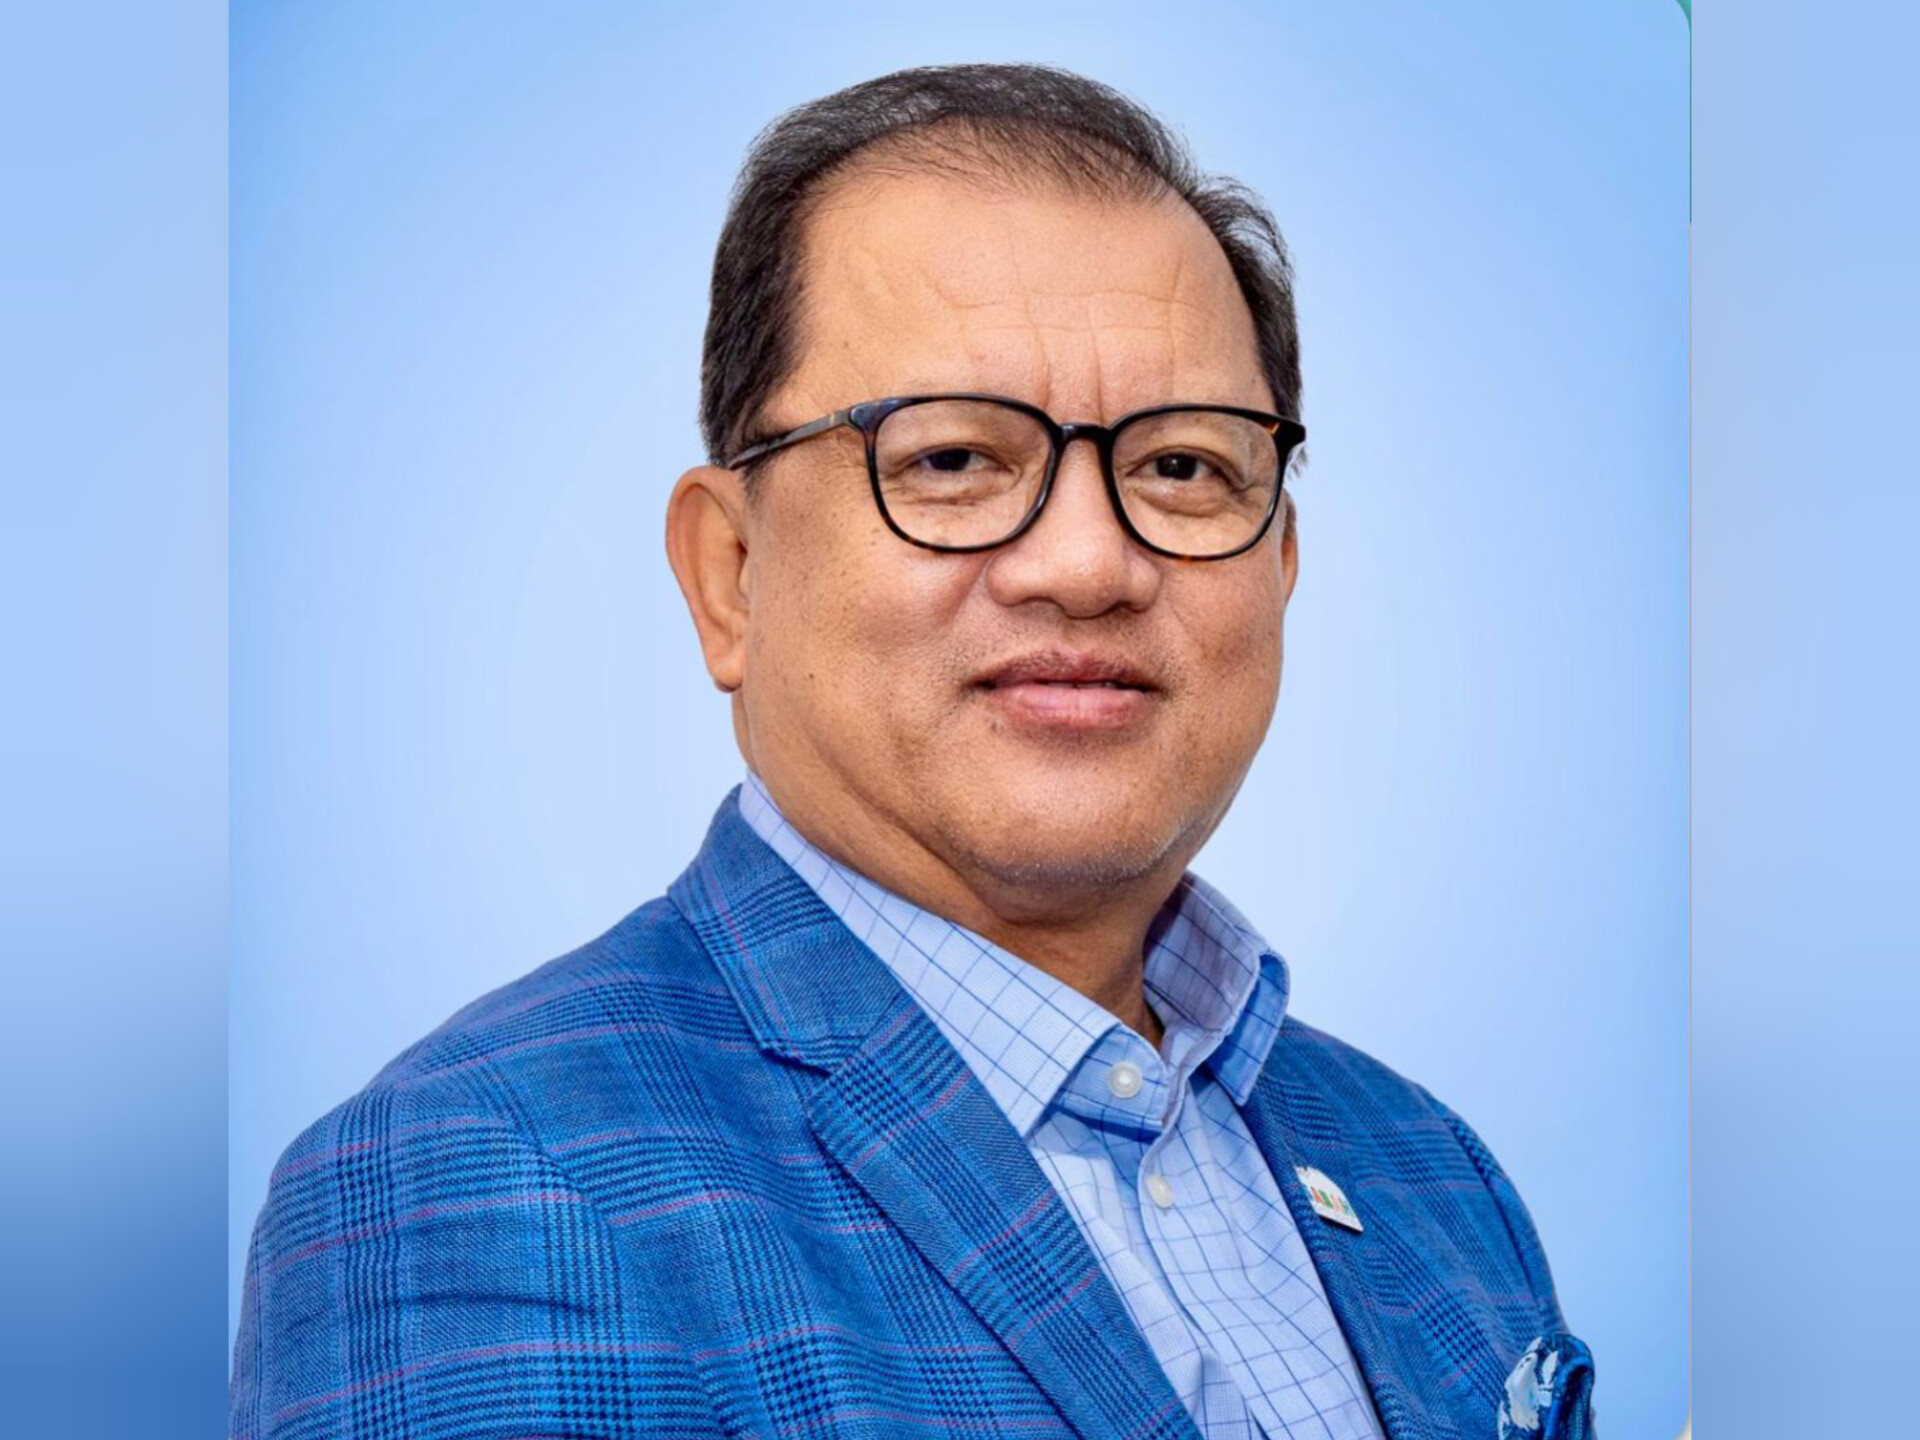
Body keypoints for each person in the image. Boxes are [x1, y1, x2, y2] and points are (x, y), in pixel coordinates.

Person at [231, 62, 1595, 1440]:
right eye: (952, 460)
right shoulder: (486, 1179)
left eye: (1183, 467)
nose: (1089, 564)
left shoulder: (1429, 1171)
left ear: (1282, 564)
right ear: (730, 576)